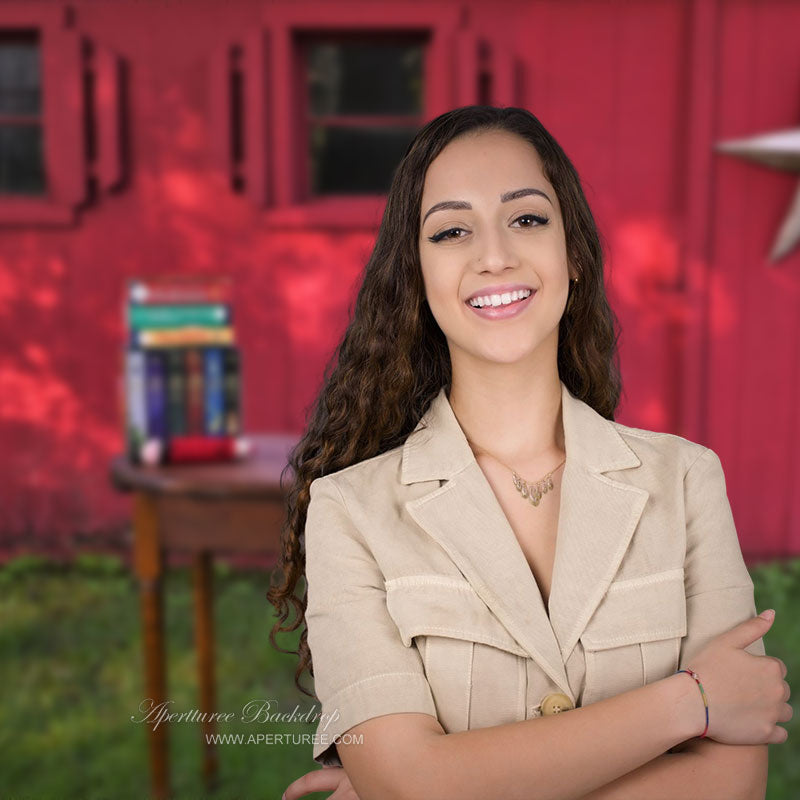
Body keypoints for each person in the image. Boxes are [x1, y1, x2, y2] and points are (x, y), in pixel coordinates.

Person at [268, 105, 792, 800]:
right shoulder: (348, 512)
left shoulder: (687, 481)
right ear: (416, 278)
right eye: (452, 231)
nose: (495, 255)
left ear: (572, 252)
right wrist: (690, 702)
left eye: (527, 219)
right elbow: (408, 785)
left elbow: (733, 784)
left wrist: (440, 783)